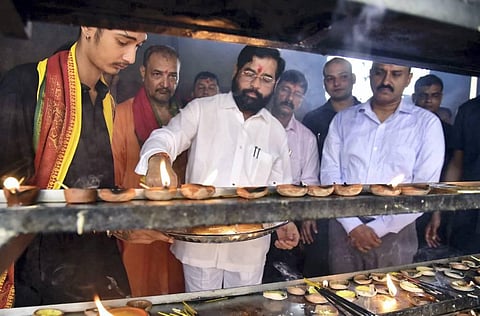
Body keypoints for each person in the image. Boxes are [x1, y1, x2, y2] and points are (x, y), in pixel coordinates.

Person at [0, 27, 147, 306]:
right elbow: (8, 195)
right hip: (39, 274)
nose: (130, 57)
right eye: (123, 42)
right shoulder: (26, 86)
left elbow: (97, 188)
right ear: (89, 27)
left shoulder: (107, 102)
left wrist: (125, 223)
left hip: (98, 264)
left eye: (138, 46)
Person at [135, 45, 300, 292]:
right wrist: (158, 157)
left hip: (249, 250)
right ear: (235, 71)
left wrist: (285, 221)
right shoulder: (203, 109)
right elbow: (168, 136)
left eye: (266, 78)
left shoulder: (275, 131)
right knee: (202, 309)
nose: (256, 84)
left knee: (243, 310)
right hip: (200, 244)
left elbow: (280, 190)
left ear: (275, 84)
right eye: (249, 74)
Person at [321, 62, 444, 273]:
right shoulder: (343, 120)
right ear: (370, 75)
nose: (386, 81)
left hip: (397, 231)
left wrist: (377, 228)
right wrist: (354, 226)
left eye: (396, 74)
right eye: (380, 73)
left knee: (396, 302)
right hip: (345, 229)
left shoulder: (426, 124)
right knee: (341, 300)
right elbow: (329, 174)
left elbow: (424, 187)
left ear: (408, 78)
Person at [111, 45, 186, 296]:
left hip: (176, 230)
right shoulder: (122, 114)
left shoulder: (185, 118)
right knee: (136, 298)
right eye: (157, 74)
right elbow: (113, 177)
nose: (165, 83)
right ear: (143, 72)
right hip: (136, 229)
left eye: (172, 76)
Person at [300, 57, 360, 277]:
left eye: (343, 77)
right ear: (324, 83)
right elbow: (306, 171)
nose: (337, 83)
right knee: (320, 272)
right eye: (330, 79)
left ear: (353, 79)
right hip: (322, 210)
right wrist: (308, 211)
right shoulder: (313, 119)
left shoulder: (367, 117)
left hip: (362, 208)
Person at [264, 70, 319, 282]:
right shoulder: (255, 126)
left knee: (281, 283)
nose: (289, 98)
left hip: (288, 221)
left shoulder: (306, 138)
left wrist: (306, 216)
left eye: (297, 94)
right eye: (285, 90)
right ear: (276, 89)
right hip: (254, 216)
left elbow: (310, 183)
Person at [425, 95, 480, 256]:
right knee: (463, 269)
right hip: (468, 211)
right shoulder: (469, 110)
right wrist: (438, 210)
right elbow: (456, 164)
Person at [412, 74, 454, 259]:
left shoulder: (449, 133)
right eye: (424, 95)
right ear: (414, 98)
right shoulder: (402, 128)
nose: (429, 100)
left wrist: (437, 212)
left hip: (435, 200)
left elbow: (448, 175)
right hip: (402, 202)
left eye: (434, 95)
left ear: (441, 98)